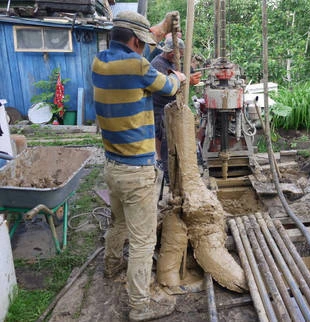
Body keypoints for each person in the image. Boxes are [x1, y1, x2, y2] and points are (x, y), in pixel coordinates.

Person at [91, 10, 186, 322]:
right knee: (145, 243)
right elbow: (169, 89)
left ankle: (111, 266)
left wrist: (160, 30)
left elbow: (146, 43)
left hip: (113, 167)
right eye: (142, 43)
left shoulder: (100, 62)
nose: (146, 47)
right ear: (134, 41)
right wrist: (178, 77)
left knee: (118, 224)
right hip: (137, 173)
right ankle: (139, 307)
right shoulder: (139, 65)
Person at [151, 36, 202, 183]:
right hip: (161, 108)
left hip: (172, 106)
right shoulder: (158, 64)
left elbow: (180, 75)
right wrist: (187, 81)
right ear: (173, 53)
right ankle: (169, 175)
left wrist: (191, 73)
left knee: (174, 140)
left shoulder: (172, 62)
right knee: (167, 140)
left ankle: (176, 171)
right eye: (178, 54)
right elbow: (168, 87)